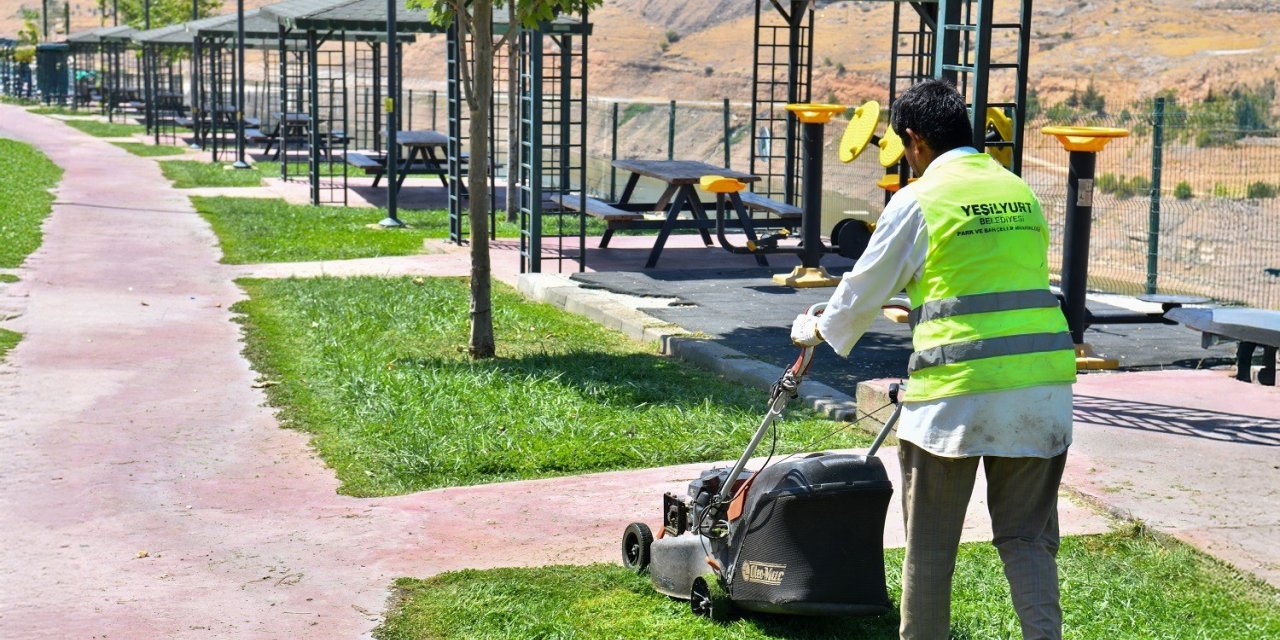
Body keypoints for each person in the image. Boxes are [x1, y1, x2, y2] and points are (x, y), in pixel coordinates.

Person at [790, 79, 1076, 640]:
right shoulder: (1019, 191)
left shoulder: (918, 200)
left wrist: (818, 328)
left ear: (915, 141)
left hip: (954, 398)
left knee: (930, 550)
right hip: (1042, 391)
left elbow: (863, 287)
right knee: (1027, 540)